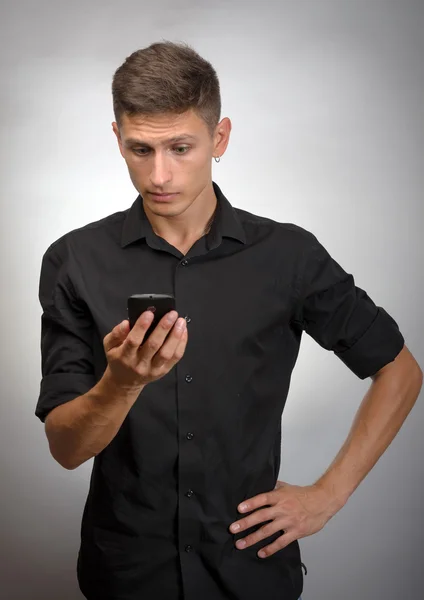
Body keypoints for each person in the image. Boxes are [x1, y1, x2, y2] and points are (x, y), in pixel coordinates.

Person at [35, 41, 422, 600]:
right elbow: (66, 449)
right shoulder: (73, 260)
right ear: (117, 139)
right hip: (126, 574)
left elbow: (399, 369)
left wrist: (329, 494)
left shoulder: (290, 256)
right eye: (140, 149)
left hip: (251, 571)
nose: (159, 174)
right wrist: (123, 384)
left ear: (220, 139)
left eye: (180, 148)